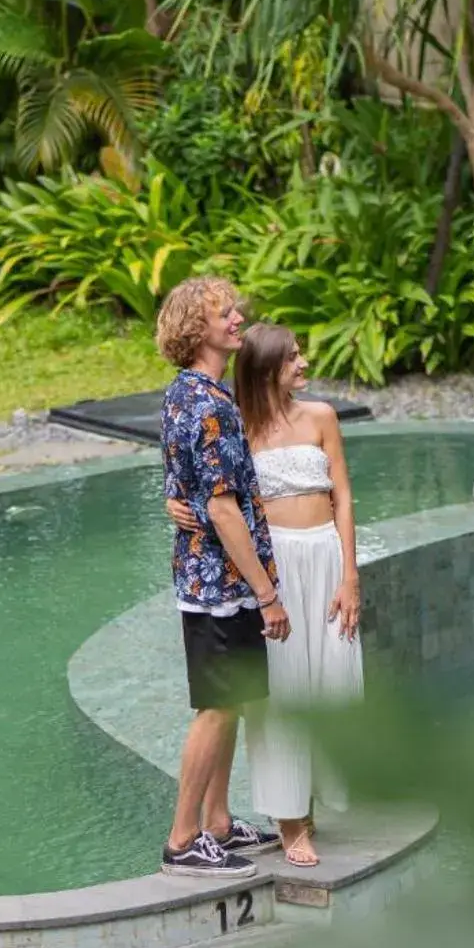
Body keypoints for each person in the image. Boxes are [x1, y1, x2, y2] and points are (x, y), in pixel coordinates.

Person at [168, 323, 360, 868]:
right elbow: (204, 485)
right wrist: (172, 503)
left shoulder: (321, 417)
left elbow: (342, 495)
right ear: (267, 366)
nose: (304, 363)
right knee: (280, 693)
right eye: (293, 356)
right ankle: (290, 819)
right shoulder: (235, 423)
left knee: (329, 681)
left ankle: (314, 797)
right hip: (272, 567)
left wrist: (350, 575)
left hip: (324, 558)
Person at [154, 277, 289, 877]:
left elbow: (180, 479)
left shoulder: (189, 393)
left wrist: (171, 499)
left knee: (229, 703)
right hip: (220, 585)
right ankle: (183, 840)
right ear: (195, 329)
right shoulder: (207, 404)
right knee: (216, 708)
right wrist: (266, 593)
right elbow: (222, 507)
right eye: (224, 313)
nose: (238, 318)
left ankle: (217, 823)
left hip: (211, 581)